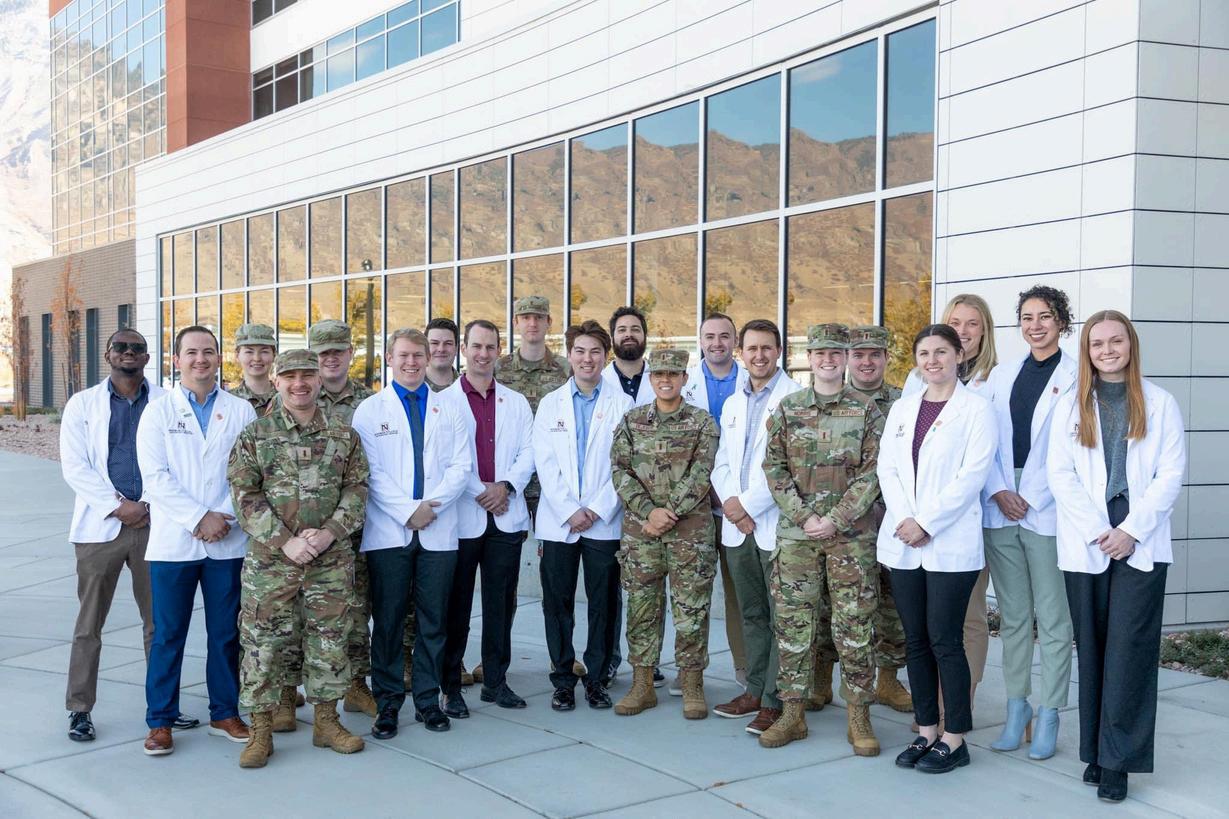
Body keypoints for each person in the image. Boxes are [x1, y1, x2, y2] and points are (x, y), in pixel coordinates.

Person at [1048, 310, 1185, 803]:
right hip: (1088, 534)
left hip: (1139, 532)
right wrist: (1097, 530)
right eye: (1097, 343)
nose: (1107, 350)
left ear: (1131, 345)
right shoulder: (1071, 404)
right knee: (1093, 646)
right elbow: (1060, 474)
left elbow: (1171, 475)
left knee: (1129, 650)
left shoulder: (1160, 402)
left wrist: (1130, 530)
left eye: (1116, 341)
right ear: (1087, 350)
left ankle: (1118, 761)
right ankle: (1096, 750)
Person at [227, 349, 370, 768]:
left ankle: (327, 723)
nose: (300, 383)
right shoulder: (256, 435)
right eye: (290, 376)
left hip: (330, 560)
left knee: (330, 639)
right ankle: (261, 731)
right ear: (277, 381)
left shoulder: (344, 435)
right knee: (263, 644)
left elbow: (358, 489)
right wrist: (285, 541)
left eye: (307, 375)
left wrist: (329, 533)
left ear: (319, 380)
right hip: (272, 562)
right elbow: (244, 494)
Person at [759, 323, 885, 754]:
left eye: (835, 352)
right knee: (794, 626)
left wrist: (836, 518)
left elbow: (873, 473)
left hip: (850, 538)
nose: (828, 360)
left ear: (846, 358)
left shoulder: (866, 410)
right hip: (798, 537)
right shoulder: (789, 408)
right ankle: (792, 714)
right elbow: (774, 468)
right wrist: (805, 515)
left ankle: (859, 715)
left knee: (855, 624)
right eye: (820, 353)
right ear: (808, 359)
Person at [877, 324, 996, 775]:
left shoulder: (976, 410)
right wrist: (907, 520)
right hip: (904, 540)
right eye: (924, 353)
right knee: (916, 641)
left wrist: (926, 522)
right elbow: (888, 468)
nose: (933, 360)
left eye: (942, 352)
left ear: (958, 356)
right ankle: (926, 730)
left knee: (946, 640)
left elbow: (973, 475)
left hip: (949, 542)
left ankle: (955, 737)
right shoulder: (903, 408)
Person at [136, 325, 256, 755]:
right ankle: (160, 720)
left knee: (225, 633)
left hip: (227, 538)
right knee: (168, 634)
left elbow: (250, 473)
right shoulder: (158, 412)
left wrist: (221, 516)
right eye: (191, 352)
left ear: (219, 358)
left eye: (208, 351)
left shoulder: (241, 411)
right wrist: (199, 518)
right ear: (176, 360)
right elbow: (155, 477)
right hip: (175, 541)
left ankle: (224, 712)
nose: (200, 359)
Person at [351, 329, 471, 740]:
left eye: (418, 355)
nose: (412, 362)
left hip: (438, 527)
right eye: (403, 355)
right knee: (387, 621)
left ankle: (427, 700)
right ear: (389, 358)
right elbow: (371, 472)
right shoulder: (370, 410)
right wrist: (407, 511)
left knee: (434, 620)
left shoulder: (450, 407)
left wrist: (430, 507)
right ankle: (387, 705)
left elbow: (461, 466)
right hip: (390, 531)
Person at [59, 329, 174, 742]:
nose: (129, 352)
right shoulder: (82, 404)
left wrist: (147, 505)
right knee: (89, 624)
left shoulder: (166, 402)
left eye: (137, 348)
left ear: (147, 358)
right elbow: (75, 466)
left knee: (159, 624)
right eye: (121, 347)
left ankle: (162, 710)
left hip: (154, 526)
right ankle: (79, 709)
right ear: (108, 354)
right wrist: (117, 505)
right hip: (99, 529)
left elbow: (175, 462)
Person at [984, 285, 1077, 760]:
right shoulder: (1001, 375)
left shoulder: (1078, 375)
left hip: (1049, 503)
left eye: (1045, 316)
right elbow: (985, 440)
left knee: (1054, 618)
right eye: (1027, 317)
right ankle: (1016, 708)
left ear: (1061, 321)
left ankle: (1050, 713)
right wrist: (1001, 490)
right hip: (1001, 502)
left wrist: (1030, 495)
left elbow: (1077, 448)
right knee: (1015, 617)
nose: (1035, 325)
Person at [610, 348, 720, 720]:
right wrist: (648, 512)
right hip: (642, 534)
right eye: (659, 374)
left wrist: (667, 513)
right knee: (642, 609)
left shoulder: (702, 422)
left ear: (684, 379)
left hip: (690, 534)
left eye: (673, 374)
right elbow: (619, 470)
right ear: (651, 378)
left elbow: (703, 472)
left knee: (692, 611)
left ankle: (692, 683)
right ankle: (642, 684)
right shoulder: (632, 421)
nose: (666, 380)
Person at [809, 324, 911, 716]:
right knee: (829, 604)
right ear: (847, 358)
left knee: (890, 605)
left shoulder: (903, 403)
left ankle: (887, 680)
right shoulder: (831, 398)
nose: (867, 362)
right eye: (859, 354)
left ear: (886, 358)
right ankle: (822, 679)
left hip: (889, 519)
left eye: (874, 354)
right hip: (841, 523)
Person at [904, 294, 999, 715]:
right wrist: (915, 519)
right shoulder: (915, 386)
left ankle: (959, 705)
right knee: (928, 627)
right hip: (918, 526)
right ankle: (931, 708)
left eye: (972, 324)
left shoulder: (994, 383)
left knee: (968, 617)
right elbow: (898, 461)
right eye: (955, 322)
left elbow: (983, 463)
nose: (963, 330)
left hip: (974, 516)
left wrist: (928, 519)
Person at [533, 320, 633, 711]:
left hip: (603, 520)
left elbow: (623, 464)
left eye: (595, 352)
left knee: (603, 603)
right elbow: (545, 462)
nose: (587, 359)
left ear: (605, 357)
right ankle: (562, 679)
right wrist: (569, 510)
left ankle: (596, 678)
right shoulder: (550, 403)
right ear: (569, 355)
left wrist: (594, 509)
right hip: (558, 522)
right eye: (580, 351)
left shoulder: (623, 405)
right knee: (556, 603)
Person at [439, 320, 536, 717]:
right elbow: (444, 458)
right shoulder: (444, 401)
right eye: (476, 346)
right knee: (457, 607)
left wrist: (506, 486)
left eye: (490, 347)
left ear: (499, 350)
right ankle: (451, 687)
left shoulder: (517, 401)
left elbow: (529, 451)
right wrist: (482, 490)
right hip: (463, 517)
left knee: (501, 605)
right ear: (464, 349)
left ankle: (496, 681)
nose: (483, 354)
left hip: (505, 517)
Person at [710, 319, 802, 735]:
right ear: (741, 353)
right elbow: (722, 462)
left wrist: (745, 505)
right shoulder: (733, 403)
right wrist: (733, 506)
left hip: (774, 524)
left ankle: (774, 699)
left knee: (781, 615)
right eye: (752, 348)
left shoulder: (794, 399)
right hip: (738, 527)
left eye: (767, 347)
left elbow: (790, 466)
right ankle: (754, 688)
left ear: (779, 352)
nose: (759, 355)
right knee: (751, 612)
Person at [485, 294, 575, 685]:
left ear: (549, 322)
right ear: (516, 323)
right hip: (512, 485)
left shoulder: (567, 368)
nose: (532, 323)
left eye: (539, 316)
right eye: (525, 317)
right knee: (502, 581)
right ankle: (494, 660)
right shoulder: (499, 369)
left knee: (558, 581)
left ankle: (563, 657)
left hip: (556, 487)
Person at [309, 320, 379, 718]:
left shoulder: (371, 403)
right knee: (300, 615)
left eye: (338, 351)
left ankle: (356, 685)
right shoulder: (298, 396)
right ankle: (289, 695)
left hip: (354, 528)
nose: (331, 359)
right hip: (306, 529)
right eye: (323, 353)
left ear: (351, 353)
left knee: (356, 611)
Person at [681, 312, 749, 693]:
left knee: (740, 592)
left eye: (725, 336)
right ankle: (690, 670)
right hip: (695, 507)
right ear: (701, 341)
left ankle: (746, 666)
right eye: (710, 336)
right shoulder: (685, 384)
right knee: (692, 593)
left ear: (734, 341)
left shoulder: (751, 383)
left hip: (739, 507)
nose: (717, 343)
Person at [600, 306, 654, 685]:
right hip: (607, 501)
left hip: (651, 503)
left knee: (647, 589)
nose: (629, 334)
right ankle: (609, 658)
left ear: (645, 336)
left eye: (635, 328)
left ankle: (648, 662)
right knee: (610, 589)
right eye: (622, 330)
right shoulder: (599, 381)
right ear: (613, 338)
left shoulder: (661, 379)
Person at [228, 324, 278, 417]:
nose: (257, 358)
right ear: (237, 355)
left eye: (264, 351)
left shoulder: (286, 398)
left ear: (274, 355)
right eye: (249, 352)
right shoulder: (226, 401)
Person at [426, 317, 460, 391]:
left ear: (456, 349)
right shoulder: (410, 386)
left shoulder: (469, 388)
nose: (441, 349)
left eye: (448, 343)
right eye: (434, 343)